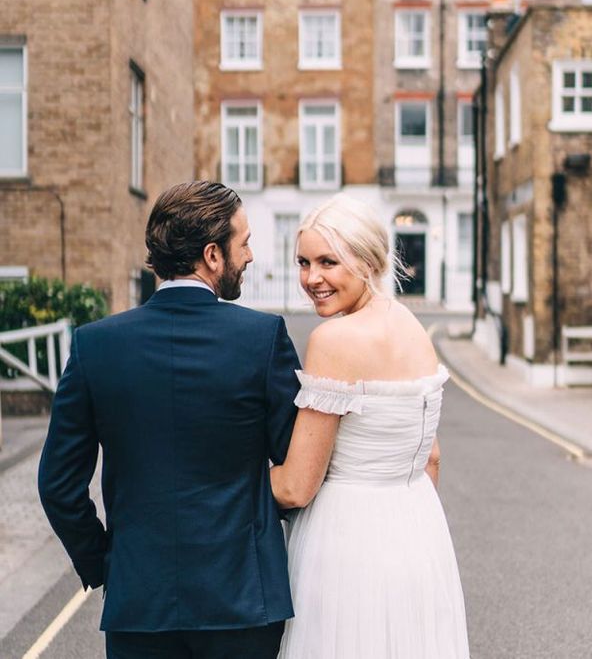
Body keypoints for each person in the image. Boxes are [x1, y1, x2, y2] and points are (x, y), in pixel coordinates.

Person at [38, 181, 301, 659]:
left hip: (139, 599)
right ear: (212, 255)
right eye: (244, 243)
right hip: (242, 598)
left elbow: (57, 484)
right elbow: (293, 465)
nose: (251, 256)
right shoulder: (263, 339)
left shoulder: (95, 345)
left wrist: (104, 564)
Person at [270, 193, 470, 659]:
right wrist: (402, 524)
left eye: (328, 262)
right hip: (419, 534)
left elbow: (298, 487)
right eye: (303, 262)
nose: (311, 278)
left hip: (346, 543)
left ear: (367, 261)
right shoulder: (413, 328)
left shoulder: (334, 340)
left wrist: (220, 482)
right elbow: (432, 456)